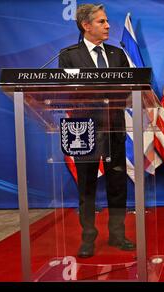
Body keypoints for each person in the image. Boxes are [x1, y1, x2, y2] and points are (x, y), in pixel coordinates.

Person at [59, 3, 135, 258]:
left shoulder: (117, 54)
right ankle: (88, 238)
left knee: (117, 185)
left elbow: (127, 89)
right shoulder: (69, 55)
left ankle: (117, 235)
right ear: (86, 25)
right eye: (101, 22)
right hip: (84, 130)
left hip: (114, 128)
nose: (108, 26)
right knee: (87, 187)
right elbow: (69, 93)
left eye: (106, 21)